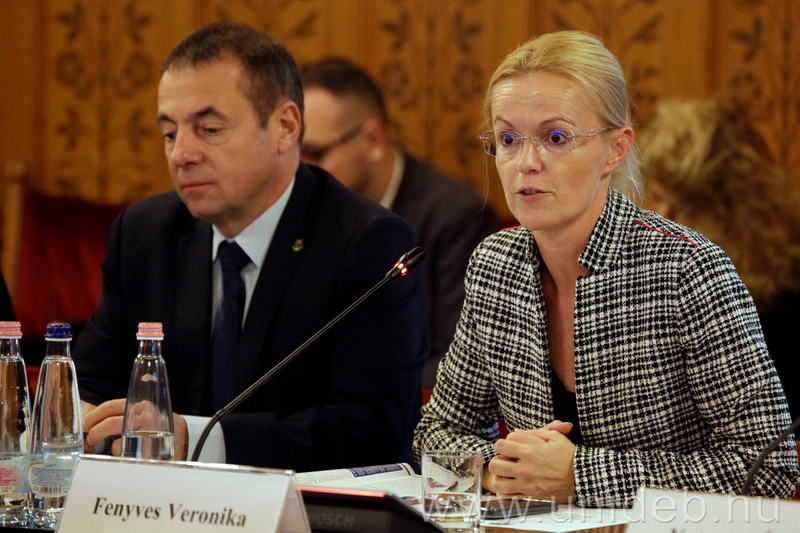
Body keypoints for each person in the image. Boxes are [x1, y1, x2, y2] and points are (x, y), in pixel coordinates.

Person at [413, 30, 799, 506]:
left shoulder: (686, 268)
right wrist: (500, 470)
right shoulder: (497, 265)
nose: (525, 163)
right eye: (508, 139)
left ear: (615, 149)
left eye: (556, 138)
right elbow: (437, 431)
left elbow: (769, 470)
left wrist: (580, 476)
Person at [74, 22, 428, 472]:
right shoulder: (145, 233)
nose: (181, 154)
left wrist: (196, 439)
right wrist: (81, 416)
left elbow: (373, 429)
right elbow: (93, 381)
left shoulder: (367, 244)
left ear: (285, 127)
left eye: (209, 129)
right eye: (169, 133)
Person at [300, 59, 501, 388]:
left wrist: (354, 386)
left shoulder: (455, 218)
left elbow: (463, 363)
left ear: (373, 139)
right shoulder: (306, 211)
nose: (300, 172)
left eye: (314, 154)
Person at [641, 95, 800, 421]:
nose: (662, 218)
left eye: (686, 206)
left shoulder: (784, 298)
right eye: (655, 197)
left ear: (731, 210)